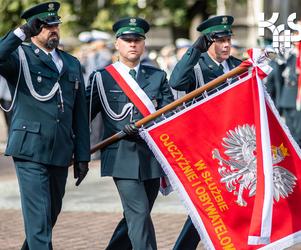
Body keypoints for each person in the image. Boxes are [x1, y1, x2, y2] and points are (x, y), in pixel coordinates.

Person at [0, 2, 90, 249]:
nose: (52, 30)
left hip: (60, 149)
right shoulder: (19, 56)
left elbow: (79, 112)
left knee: (49, 216)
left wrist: (82, 155)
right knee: (39, 220)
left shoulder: (70, 63)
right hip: (30, 149)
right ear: (34, 28)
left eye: (55, 25)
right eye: (45, 26)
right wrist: (21, 33)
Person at [87, 17, 174, 250]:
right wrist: (77, 148)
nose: (132, 44)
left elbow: (169, 115)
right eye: (127, 40)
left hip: (152, 156)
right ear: (117, 44)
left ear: (144, 44)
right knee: (139, 212)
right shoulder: (102, 77)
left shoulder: (157, 76)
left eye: (137, 40)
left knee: (136, 216)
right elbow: (84, 115)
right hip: (121, 156)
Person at [169, 15, 242, 250]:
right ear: (208, 42)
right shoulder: (198, 66)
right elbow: (177, 81)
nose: (226, 45)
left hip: (236, 146)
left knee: (231, 202)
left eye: (228, 39)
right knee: (208, 203)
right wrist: (194, 50)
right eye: (220, 41)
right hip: (207, 147)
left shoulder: (239, 66)